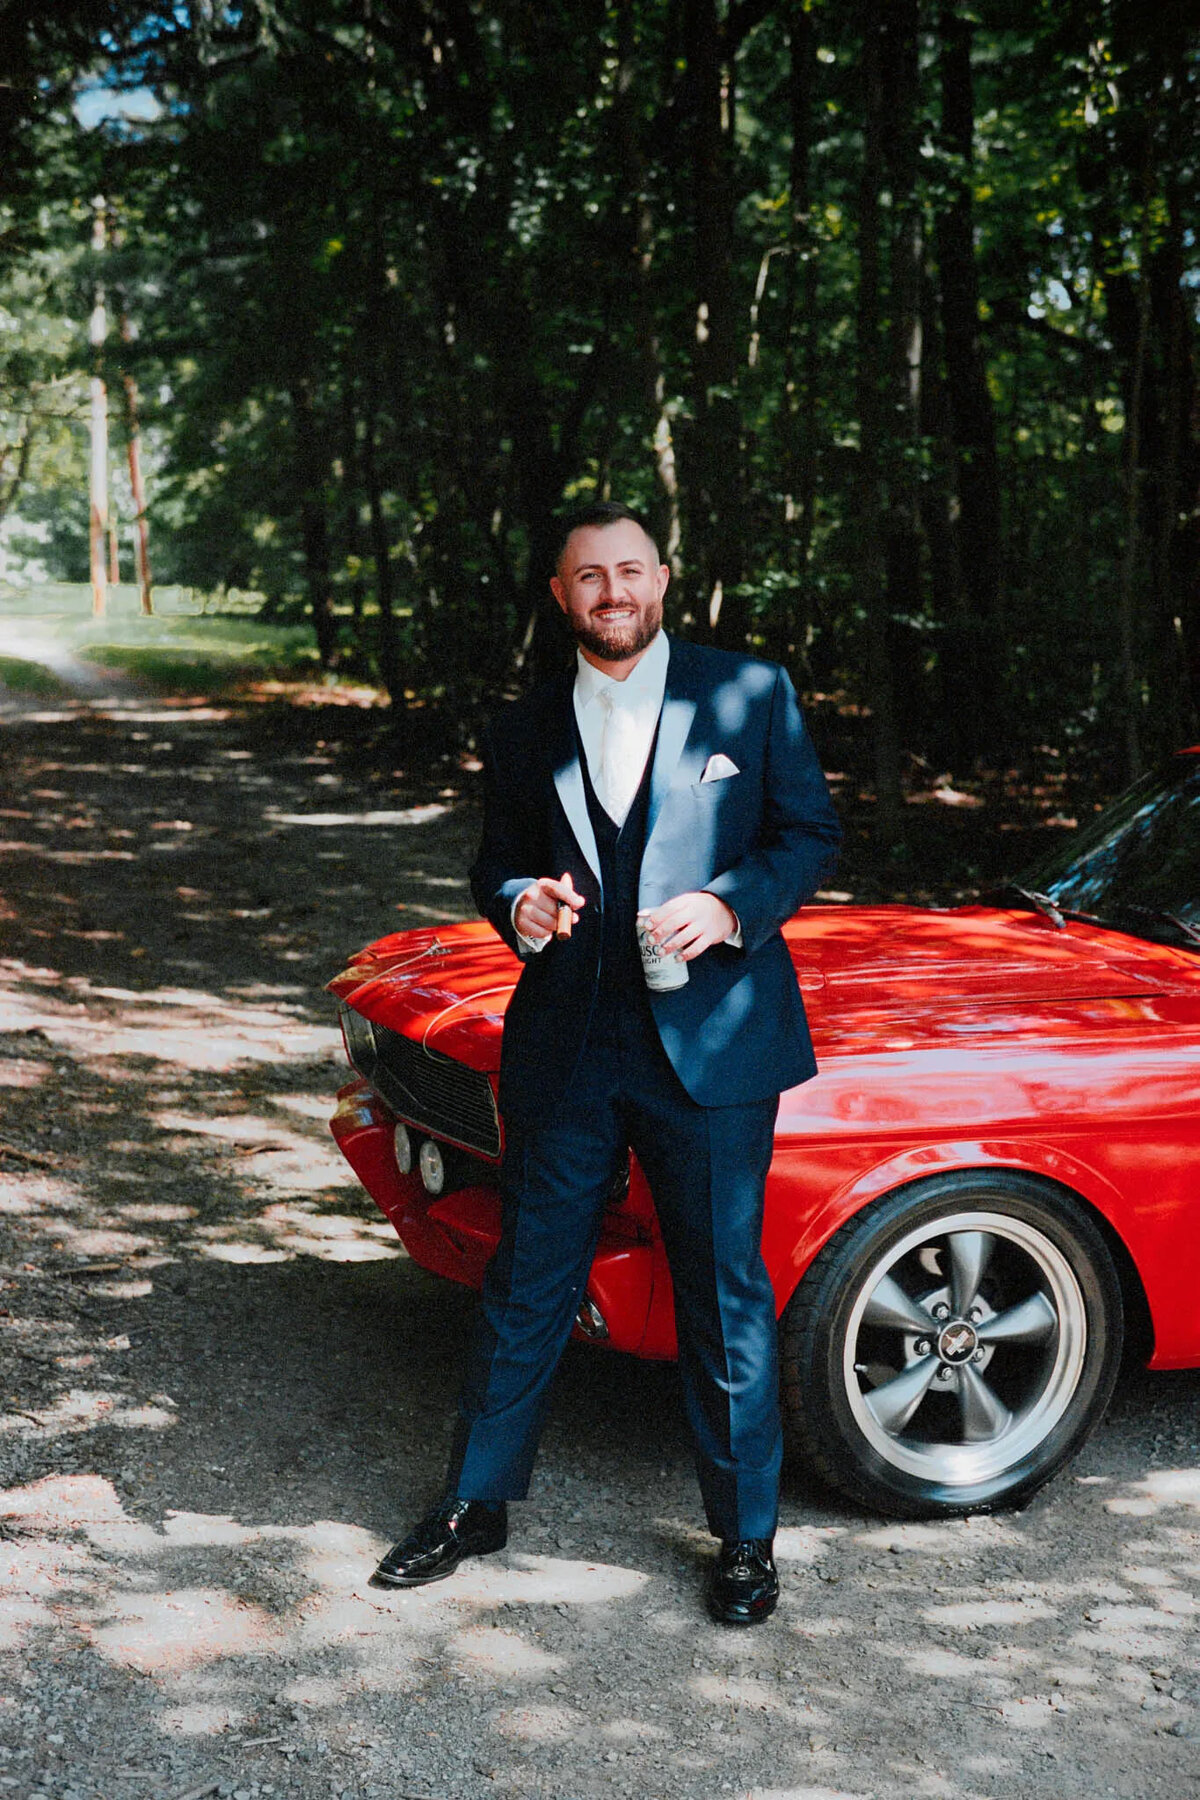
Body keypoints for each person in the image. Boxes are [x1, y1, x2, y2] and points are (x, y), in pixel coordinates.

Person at [370, 501, 841, 1624]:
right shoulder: (525, 726)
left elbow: (808, 835)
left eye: (630, 572)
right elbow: (496, 865)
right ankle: (470, 1507)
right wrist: (516, 902)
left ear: (664, 580)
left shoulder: (751, 692)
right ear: (561, 596)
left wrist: (729, 907)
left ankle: (744, 1541)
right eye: (590, 577)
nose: (612, 593)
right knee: (529, 1275)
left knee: (723, 1293)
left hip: (714, 1045)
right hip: (568, 1047)